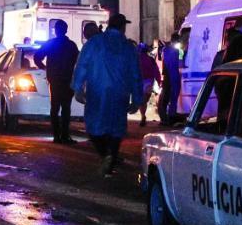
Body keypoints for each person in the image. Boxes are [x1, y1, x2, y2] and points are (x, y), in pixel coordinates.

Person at [71, 14, 143, 176]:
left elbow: (82, 66)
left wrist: (78, 88)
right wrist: (136, 99)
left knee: (94, 126)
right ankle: (110, 161)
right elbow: (135, 74)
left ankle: (105, 155)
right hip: (120, 93)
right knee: (116, 129)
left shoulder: (94, 43)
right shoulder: (128, 47)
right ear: (122, 27)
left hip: (97, 91)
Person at [33, 19, 79, 144]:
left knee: (55, 107)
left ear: (55, 30)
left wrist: (45, 68)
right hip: (67, 78)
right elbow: (78, 60)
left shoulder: (50, 44)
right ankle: (64, 135)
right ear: (66, 30)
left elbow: (37, 57)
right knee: (66, 108)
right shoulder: (71, 45)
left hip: (54, 78)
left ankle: (56, 136)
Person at [158, 32, 182, 124]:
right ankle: (166, 118)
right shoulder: (169, 50)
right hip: (170, 77)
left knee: (171, 98)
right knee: (167, 98)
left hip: (171, 77)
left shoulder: (169, 50)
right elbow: (173, 64)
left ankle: (169, 117)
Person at [137, 42, 161, 127]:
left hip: (139, 81)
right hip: (148, 81)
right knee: (145, 100)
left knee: (142, 101)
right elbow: (156, 71)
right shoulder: (150, 59)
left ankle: (143, 116)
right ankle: (143, 116)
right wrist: (158, 81)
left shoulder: (136, 58)